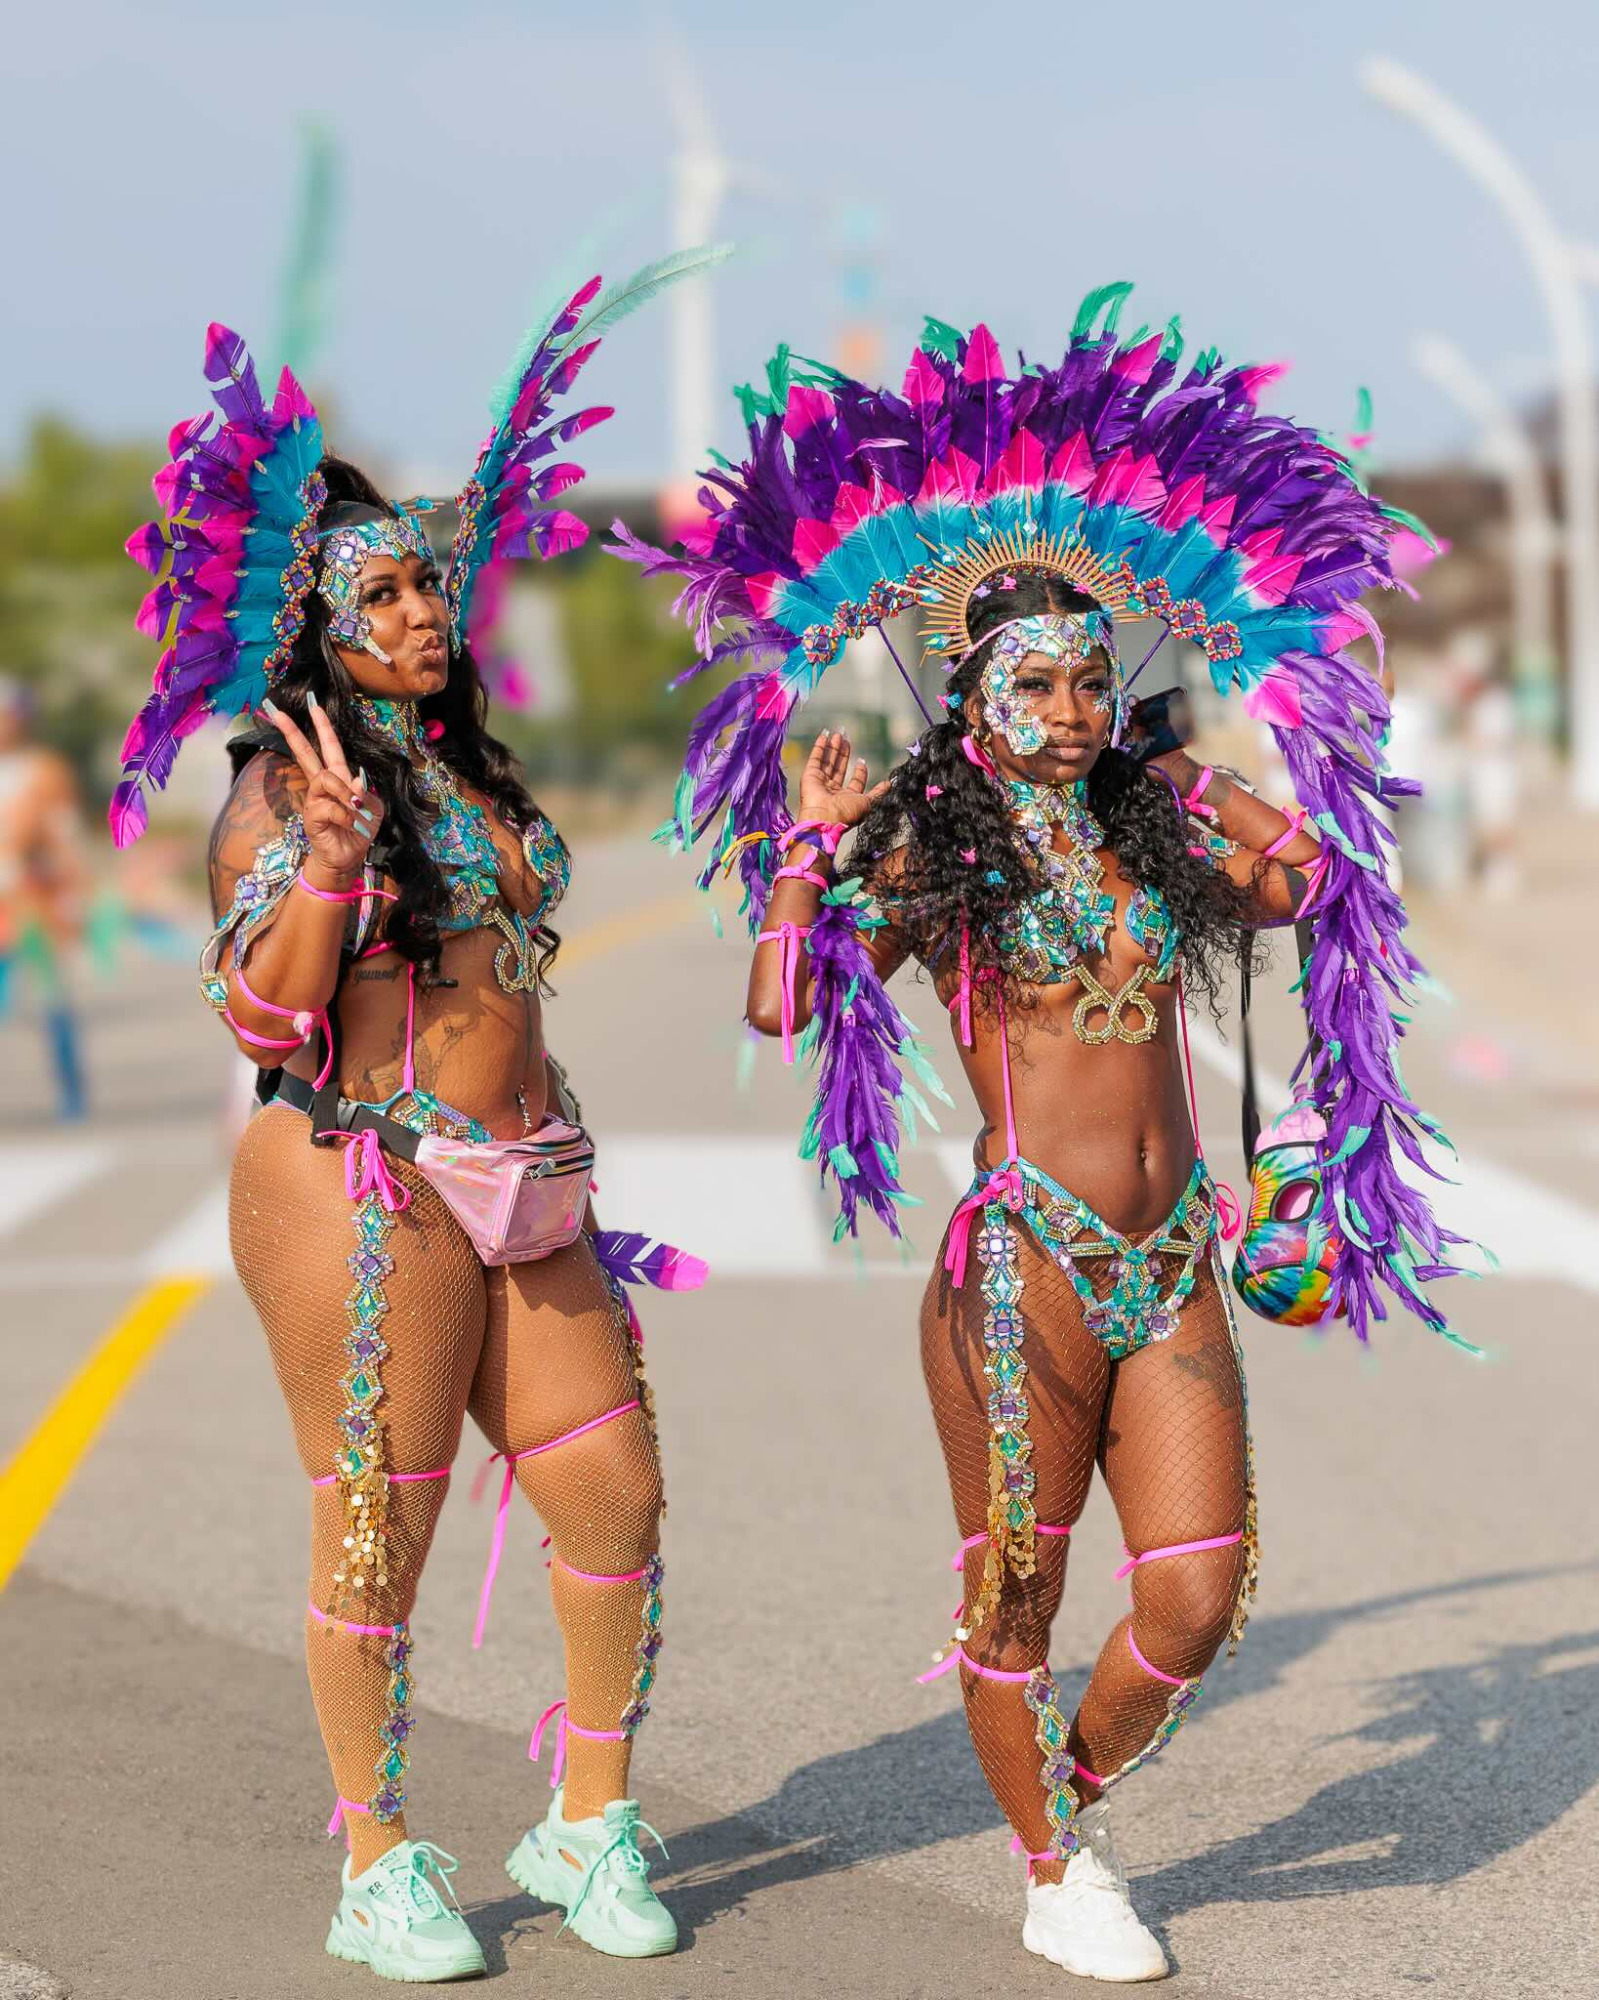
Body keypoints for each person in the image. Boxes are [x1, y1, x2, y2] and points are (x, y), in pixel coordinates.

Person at [623, 289, 1467, 1983]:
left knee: (1195, 1596)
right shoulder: (931, 845)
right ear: (970, 693)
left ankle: (1054, 1790)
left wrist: (1200, 759)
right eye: (1037, 681)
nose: (1072, 707)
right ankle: (1049, 1866)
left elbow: (1309, 882)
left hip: (1171, 1259)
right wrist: (807, 850)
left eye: (1092, 680)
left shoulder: (1148, 817)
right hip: (1023, 1270)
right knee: (1015, 1591)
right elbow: (784, 1007)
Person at [113, 278, 713, 1977]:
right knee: (380, 1526)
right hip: (361, 1177)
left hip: (527, 1179)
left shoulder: (465, 772)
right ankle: (375, 1862)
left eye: (427, 584)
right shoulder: (277, 793)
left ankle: (585, 1822)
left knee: (613, 1496)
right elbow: (257, 1021)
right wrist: (324, 863)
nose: (421, 610)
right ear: (316, 624)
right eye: (379, 593)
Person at [0, 675, 89, 1118]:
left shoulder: (44, 770)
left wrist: (70, 894)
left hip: (34, 902)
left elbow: (66, 833)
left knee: (53, 999)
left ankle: (71, 1091)